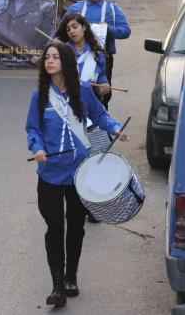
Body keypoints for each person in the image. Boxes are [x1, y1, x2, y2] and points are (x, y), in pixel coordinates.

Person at [26, 42, 125, 307]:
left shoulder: (82, 91)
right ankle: (57, 285)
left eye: (55, 57)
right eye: (47, 57)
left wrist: (115, 128)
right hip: (50, 173)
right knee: (55, 226)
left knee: (76, 227)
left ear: (67, 61)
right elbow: (32, 129)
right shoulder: (40, 95)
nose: (49, 61)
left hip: (80, 171)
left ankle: (71, 277)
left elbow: (101, 116)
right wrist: (36, 148)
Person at [64, 0, 131, 109]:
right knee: (75, 92)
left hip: (103, 58)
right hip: (76, 57)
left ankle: (101, 124)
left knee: (102, 93)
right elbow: (61, 32)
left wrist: (108, 29)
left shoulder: (112, 10)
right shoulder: (75, 9)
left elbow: (125, 31)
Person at [54, 15, 109, 98]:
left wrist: (104, 84)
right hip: (66, 99)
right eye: (68, 29)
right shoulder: (62, 51)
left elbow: (101, 75)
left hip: (91, 99)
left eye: (75, 27)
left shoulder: (97, 52)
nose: (71, 31)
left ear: (84, 27)